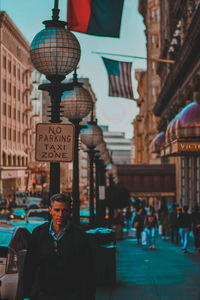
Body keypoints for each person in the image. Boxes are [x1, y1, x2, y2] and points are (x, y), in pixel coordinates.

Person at [23, 193, 96, 300]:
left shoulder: (80, 236)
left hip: (72, 295)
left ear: (69, 212)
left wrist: (88, 296)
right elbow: (30, 266)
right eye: (57, 210)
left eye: (64, 210)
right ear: (50, 210)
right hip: (44, 294)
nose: (60, 214)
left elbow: (88, 271)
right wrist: (27, 295)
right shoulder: (39, 234)